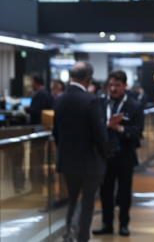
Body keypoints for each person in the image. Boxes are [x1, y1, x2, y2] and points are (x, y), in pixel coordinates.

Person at [53, 61, 110, 242]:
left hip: (67, 162)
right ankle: (81, 238)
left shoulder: (59, 99)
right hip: (89, 162)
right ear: (88, 79)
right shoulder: (90, 100)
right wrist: (105, 154)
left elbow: (56, 132)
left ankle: (68, 235)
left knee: (73, 199)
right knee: (87, 203)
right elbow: (100, 134)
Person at [93, 71, 144, 237]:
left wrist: (120, 129)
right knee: (105, 192)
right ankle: (107, 223)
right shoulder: (99, 104)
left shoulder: (134, 106)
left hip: (125, 156)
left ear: (124, 86)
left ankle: (123, 224)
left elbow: (138, 132)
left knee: (124, 192)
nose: (113, 89)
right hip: (105, 156)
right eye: (111, 85)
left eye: (117, 85)